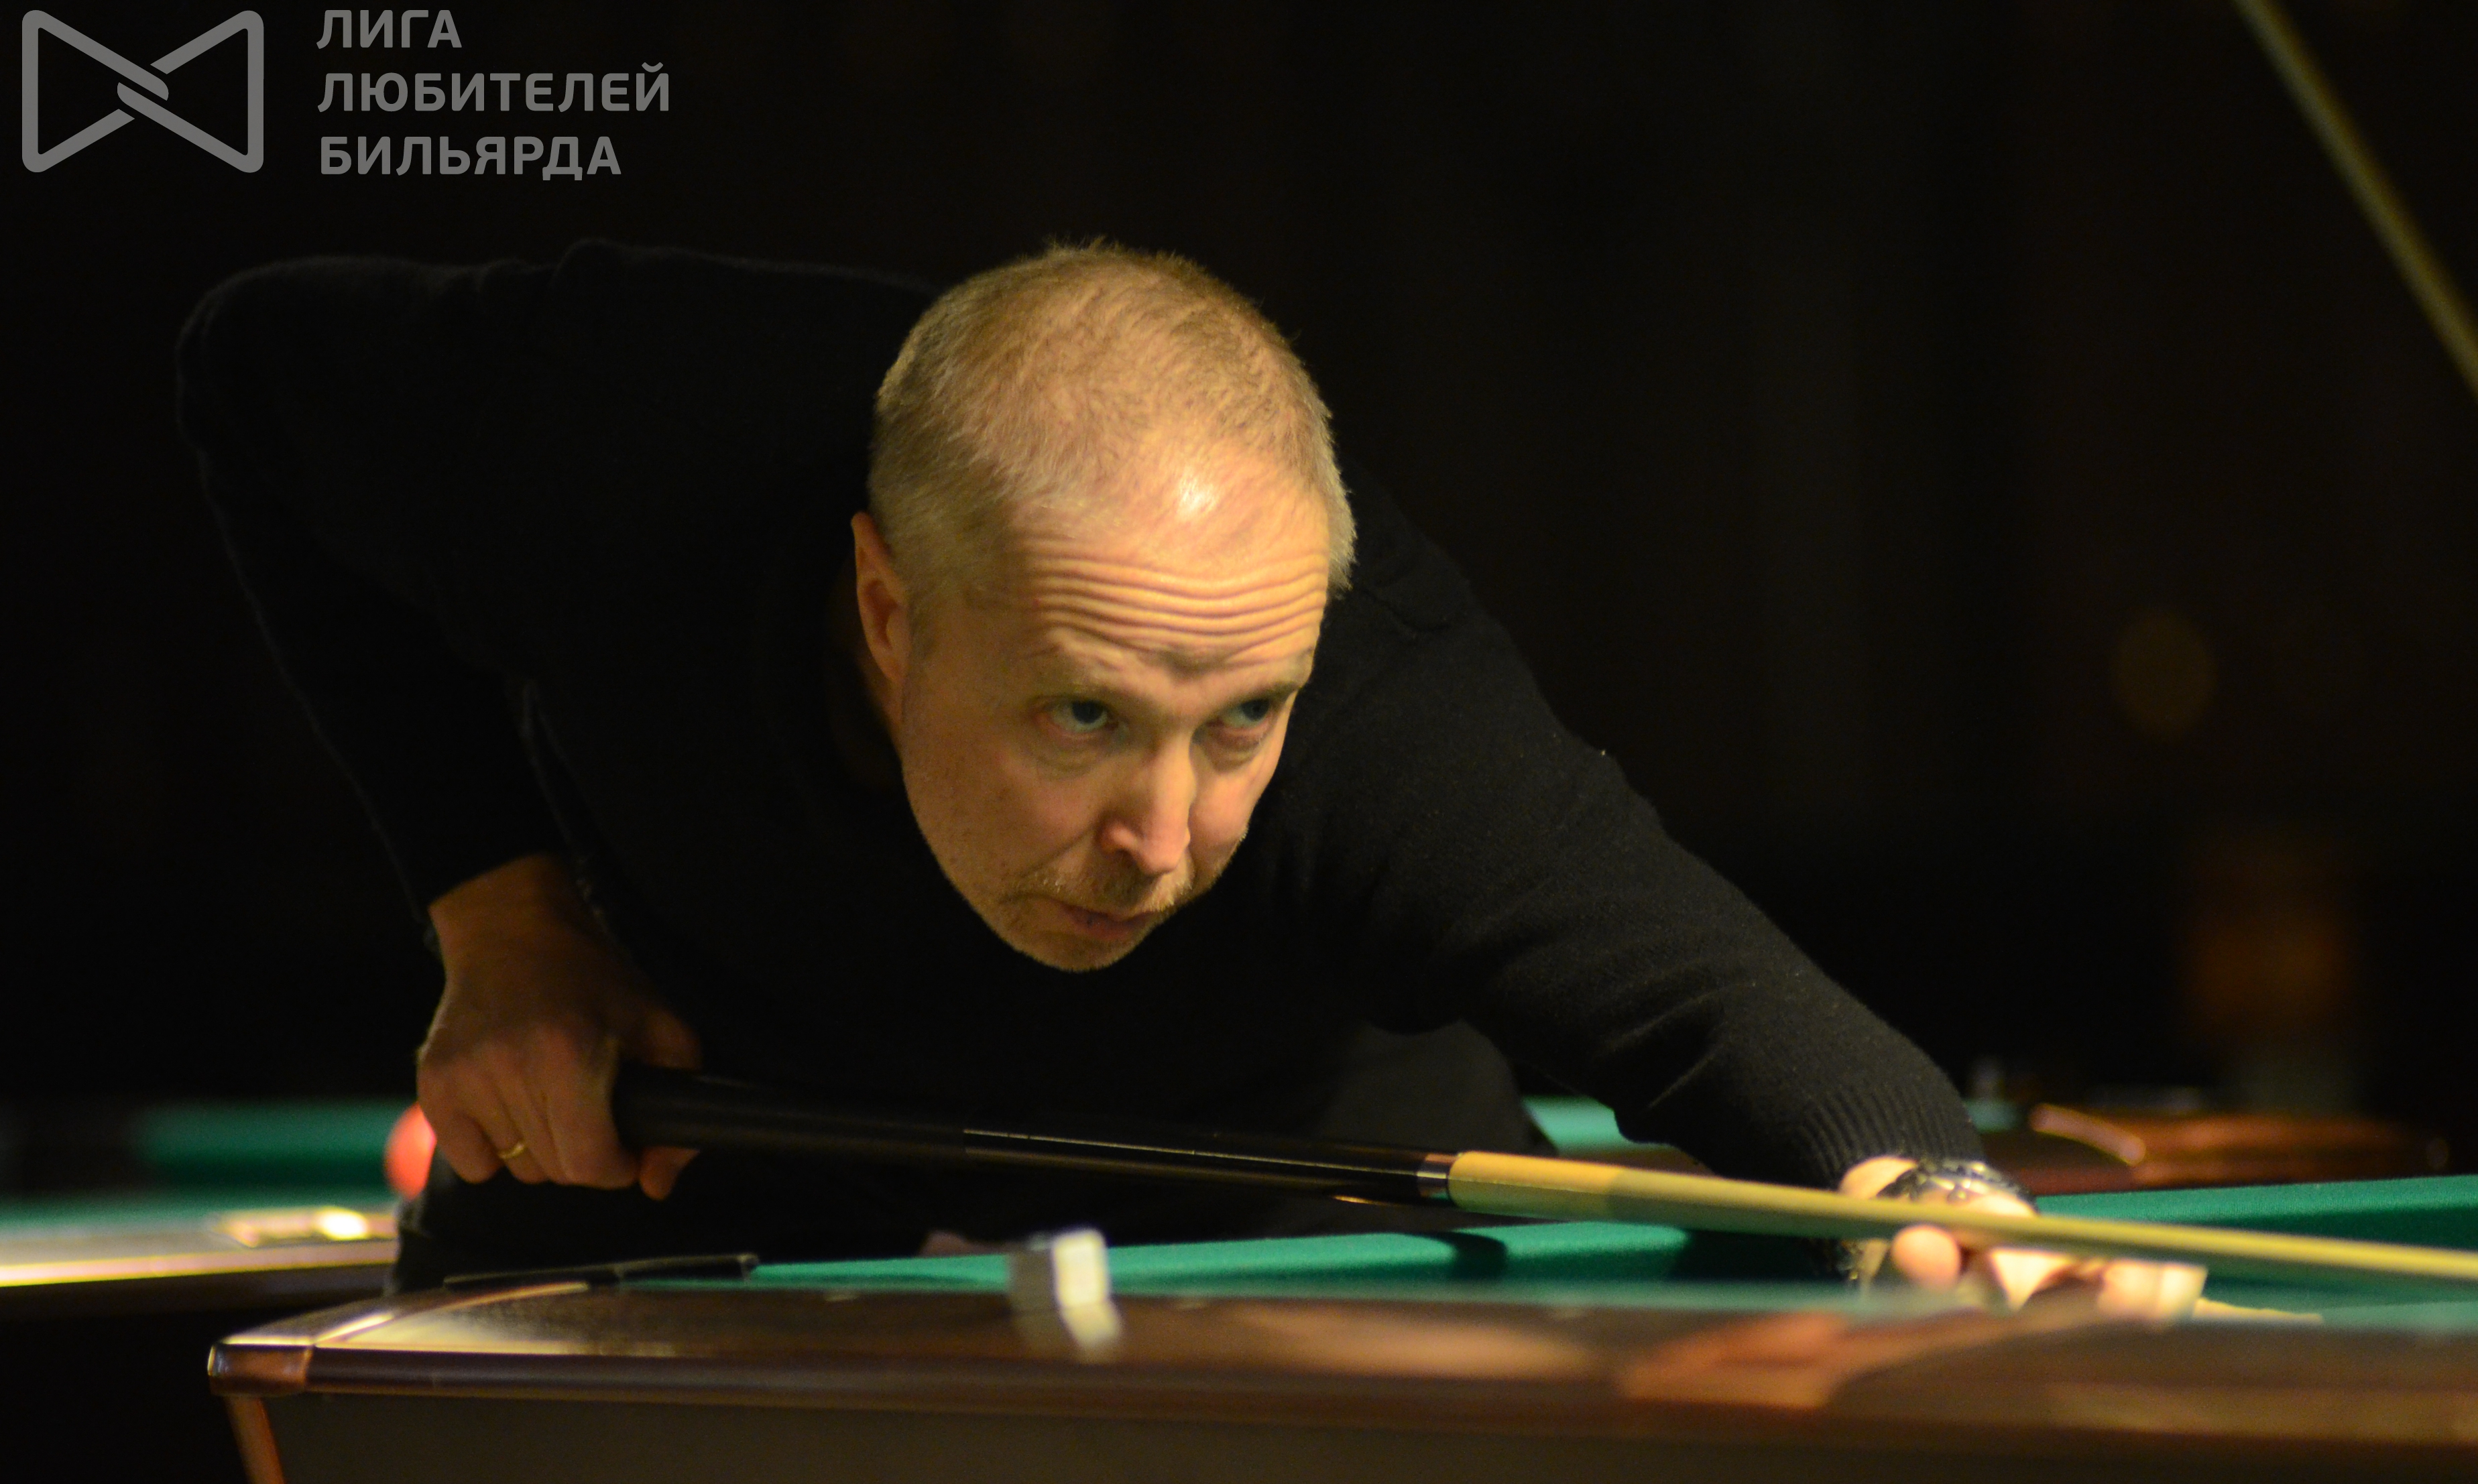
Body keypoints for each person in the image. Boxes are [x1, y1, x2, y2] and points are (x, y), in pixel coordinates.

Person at [178, 240, 2186, 1310]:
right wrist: (506, 920)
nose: (1166, 839)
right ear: (888, 610)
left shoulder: (1390, 726)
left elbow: (1708, 997)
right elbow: (248, 372)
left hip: (1281, 1168)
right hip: (710, 1119)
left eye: (1240, 722)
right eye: (1083, 717)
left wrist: (1942, 1196)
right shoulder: (609, 448)